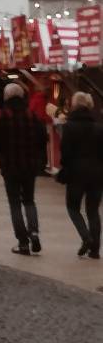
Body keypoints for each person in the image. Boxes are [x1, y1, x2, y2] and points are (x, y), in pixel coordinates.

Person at [0, 79, 47, 256]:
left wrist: (0, 156)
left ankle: (23, 242)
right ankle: (34, 232)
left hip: (10, 166)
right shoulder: (32, 115)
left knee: (14, 202)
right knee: (29, 200)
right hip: (30, 165)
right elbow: (42, 139)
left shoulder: (0, 116)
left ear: (6, 97)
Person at [58, 90, 103, 259]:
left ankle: (86, 237)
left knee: (72, 207)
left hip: (76, 173)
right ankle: (95, 249)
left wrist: (65, 168)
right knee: (93, 210)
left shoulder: (69, 127)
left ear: (74, 105)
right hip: (97, 174)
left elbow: (65, 152)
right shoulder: (99, 127)